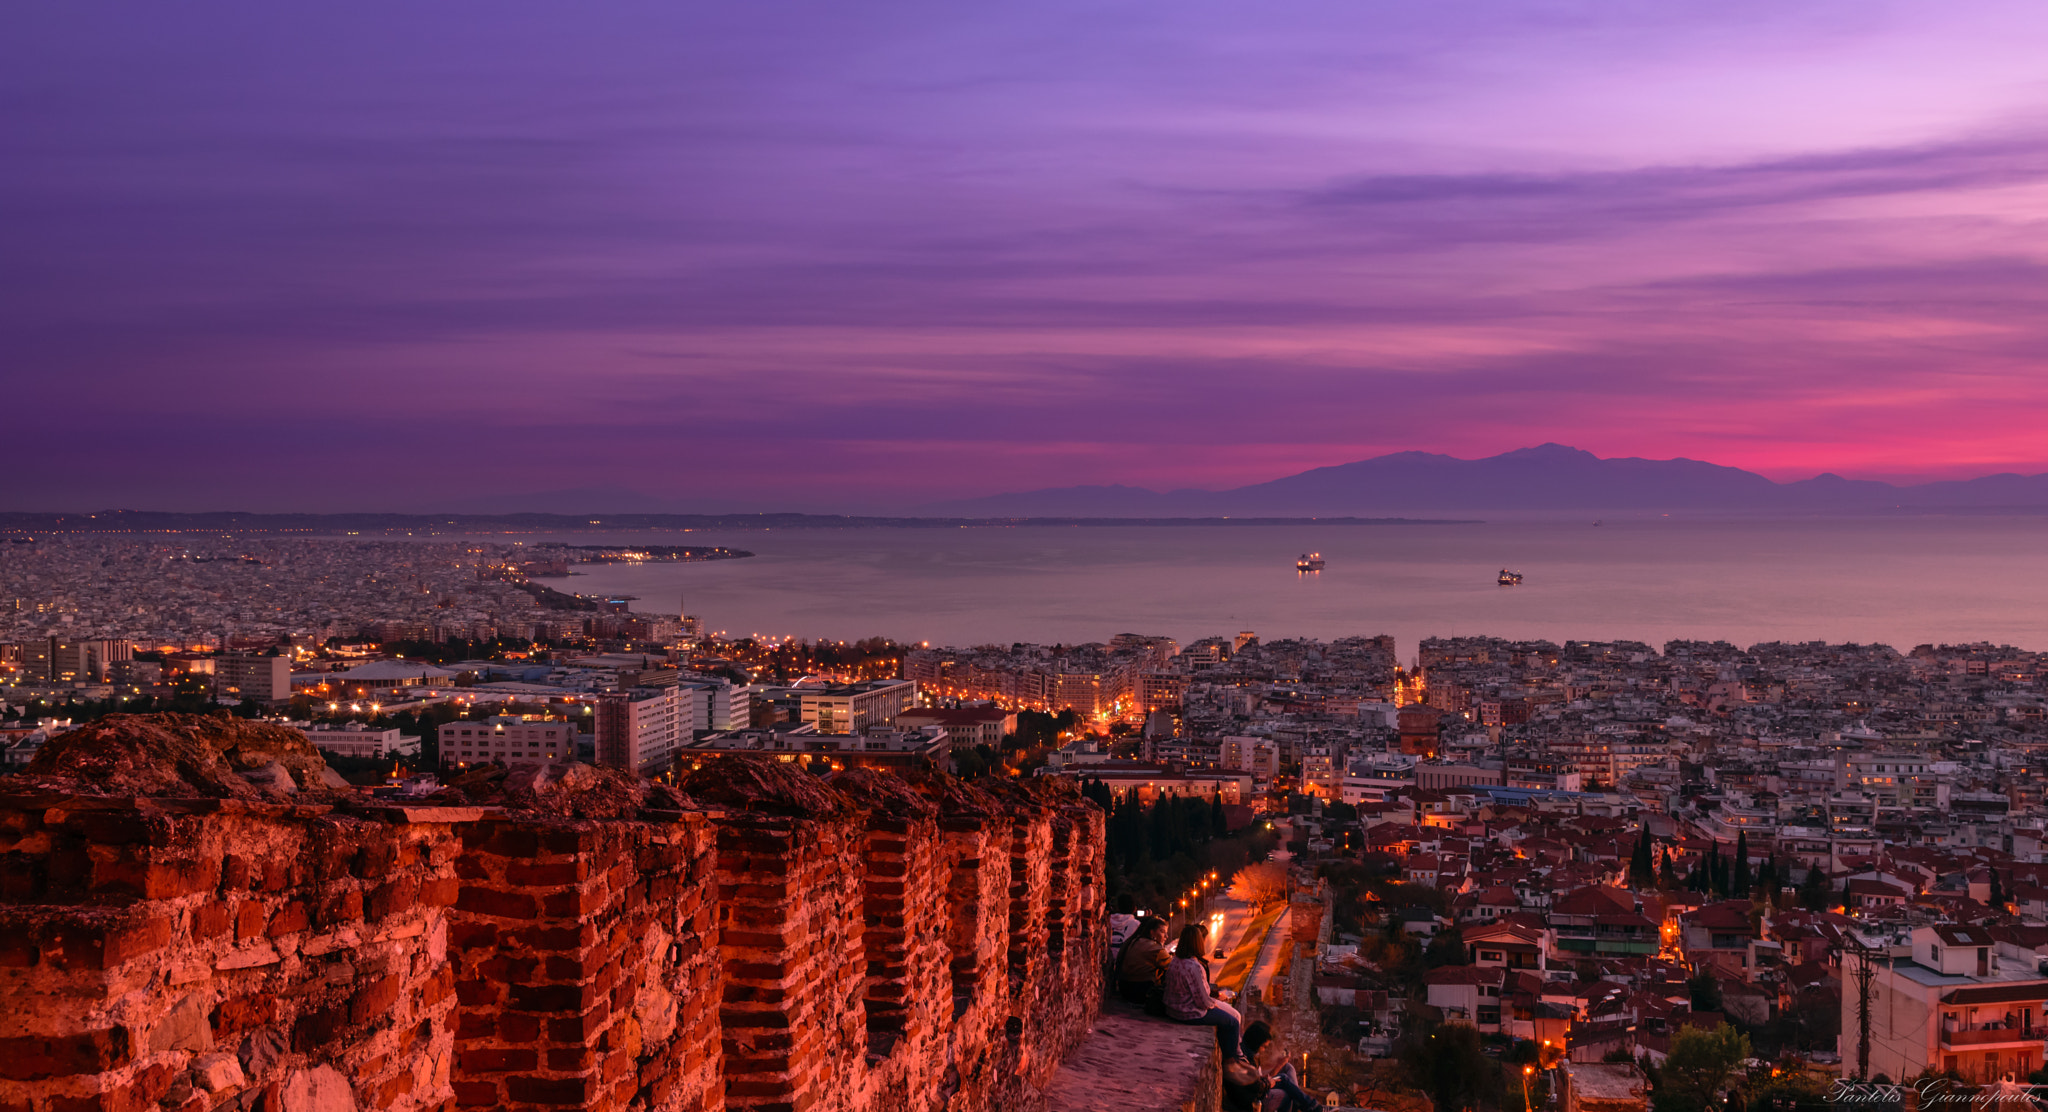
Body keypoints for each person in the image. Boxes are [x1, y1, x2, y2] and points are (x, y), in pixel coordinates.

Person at [1163, 923, 1243, 1060]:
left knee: (1227, 1015)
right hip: (1189, 1013)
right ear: (1198, 943)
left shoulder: (1175, 961)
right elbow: (1203, 1001)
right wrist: (1216, 1004)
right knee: (1232, 1021)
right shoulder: (1194, 966)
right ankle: (1232, 1060)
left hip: (1172, 1009)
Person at [1239, 1021, 1323, 1112]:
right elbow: (1255, 1088)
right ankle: (1308, 1105)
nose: (1264, 1050)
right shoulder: (1248, 1059)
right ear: (1256, 1043)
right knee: (1287, 1091)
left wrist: (1273, 1071)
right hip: (1258, 1099)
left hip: (1260, 1088)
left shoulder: (1248, 1054)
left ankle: (1308, 1104)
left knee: (1287, 1068)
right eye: (1264, 1046)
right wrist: (1269, 1082)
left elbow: (1256, 1081)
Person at [1118, 916, 1172, 1005]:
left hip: (1124, 989)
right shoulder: (1156, 949)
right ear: (1152, 932)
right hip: (1141, 991)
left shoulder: (1135, 941)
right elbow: (1173, 966)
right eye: (1162, 932)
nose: (1166, 936)